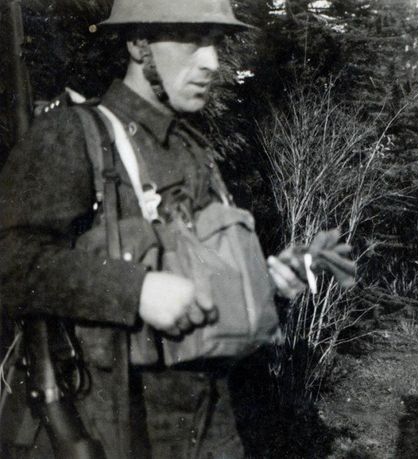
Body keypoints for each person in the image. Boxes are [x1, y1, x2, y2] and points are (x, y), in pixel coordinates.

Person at [0, 1, 310, 457]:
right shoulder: (72, 136)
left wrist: (260, 277)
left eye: (216, 42)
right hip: (110, 425)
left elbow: (196, 262)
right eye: (192, 40)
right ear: (137, 42)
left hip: (211, 426)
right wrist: (136, 290)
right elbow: (9, 261)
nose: (212, 62)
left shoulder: (191, 149)